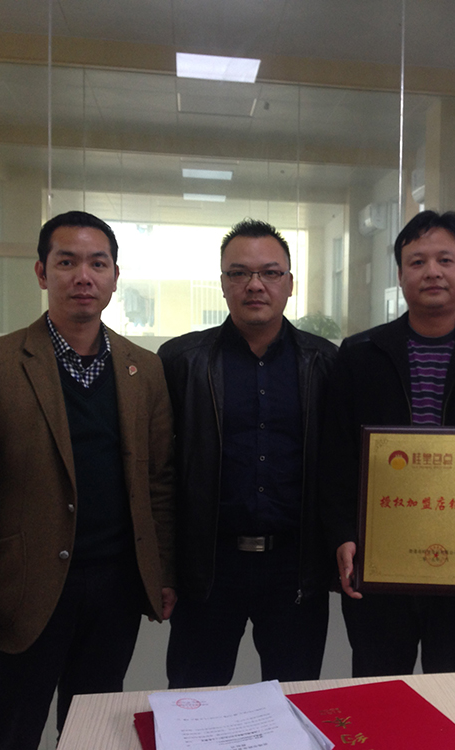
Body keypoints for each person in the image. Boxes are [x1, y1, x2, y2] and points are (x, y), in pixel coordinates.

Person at [0, 211, 176, 749]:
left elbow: (157, 483)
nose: (83, 276)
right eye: (67, 262)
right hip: (25, 591)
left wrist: (161, 572)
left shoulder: (144, 369)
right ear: (43, 273)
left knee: (92, 734)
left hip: (115, 589)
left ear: (115, 276)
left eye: (98, 264)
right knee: (10, 732)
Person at [322, 209, 455, 677]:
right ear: (400, 275)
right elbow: (336, 455)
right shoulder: (360, 355)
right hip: (379, 565)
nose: (432, 272)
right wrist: (343, 534)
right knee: (379, 691)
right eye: (417, 261)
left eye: (445, 259)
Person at [158, 218, 337, 688]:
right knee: (195, 703)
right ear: (222, 284)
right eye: (239, 273)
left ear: (290, 283)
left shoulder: (325, 363)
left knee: (294, 701)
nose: (255, 285)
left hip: (294, 569)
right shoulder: (181, 361)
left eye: (270, 273)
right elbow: (160, 471)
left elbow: (343, 468)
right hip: (209, 568)